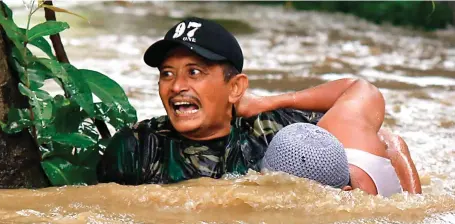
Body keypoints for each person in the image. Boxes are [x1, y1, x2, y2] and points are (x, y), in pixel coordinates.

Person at [96, 16, 418, 188]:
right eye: (167, 73)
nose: (177, 86)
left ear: (235, 87)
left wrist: (269, 102)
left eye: (194, 72)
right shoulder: (135, 148)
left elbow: (381, 134)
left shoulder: (278, 133)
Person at [260, 123, 422, 196]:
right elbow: (358, 88)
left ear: (346, 194)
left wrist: (415, 197)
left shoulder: (382, 181)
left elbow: (393, 141)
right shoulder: (336, 125)